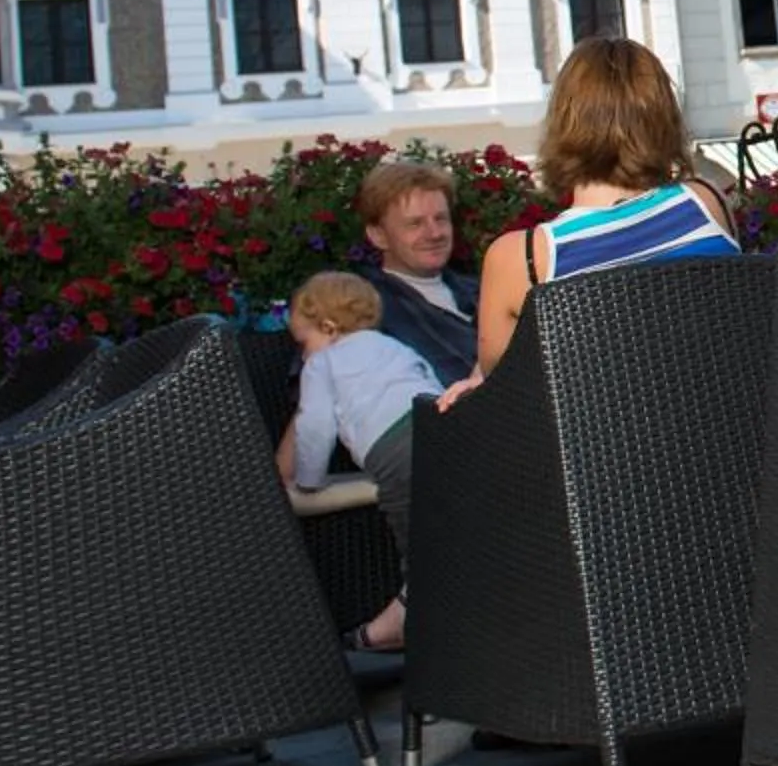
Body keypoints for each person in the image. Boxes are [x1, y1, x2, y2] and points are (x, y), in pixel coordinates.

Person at [439, 38, 740, 404]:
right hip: (732, 441)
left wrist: (475, 381)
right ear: (663, 119)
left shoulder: (527, 259)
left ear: (563, 124)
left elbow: (498, 391)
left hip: (603, 455)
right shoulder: (705, 203)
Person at [277, 273, 431, 654]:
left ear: (328, 328)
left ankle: (417, 615)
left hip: (393, 449)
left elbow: (314, 426)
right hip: (438, 428)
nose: (303, 354)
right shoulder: (395, 347)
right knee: (442, 527)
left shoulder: (323, 363)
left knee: (414, 537)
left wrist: (310, 481)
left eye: (303, 343)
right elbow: (428, 381)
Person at [354, 161, 480, 385]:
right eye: (415, 224)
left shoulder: (482, 290)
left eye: (440, 219)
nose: (434, 234)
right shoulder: (367, 312)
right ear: (378, 236)